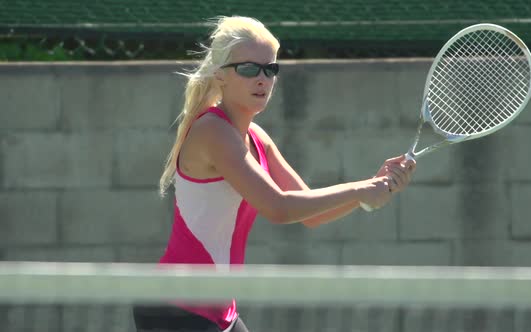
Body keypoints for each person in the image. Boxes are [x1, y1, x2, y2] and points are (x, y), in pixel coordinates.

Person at [133, 15, 416, 332]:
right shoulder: (213, 130)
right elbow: (279, 207)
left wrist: (372, 188)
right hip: (176, 306)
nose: (262, 79)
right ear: (220, 76)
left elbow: (310, 212)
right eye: (249, 69)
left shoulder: (257, 138)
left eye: (270, 69)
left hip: (218, 309)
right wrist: (360, 190)